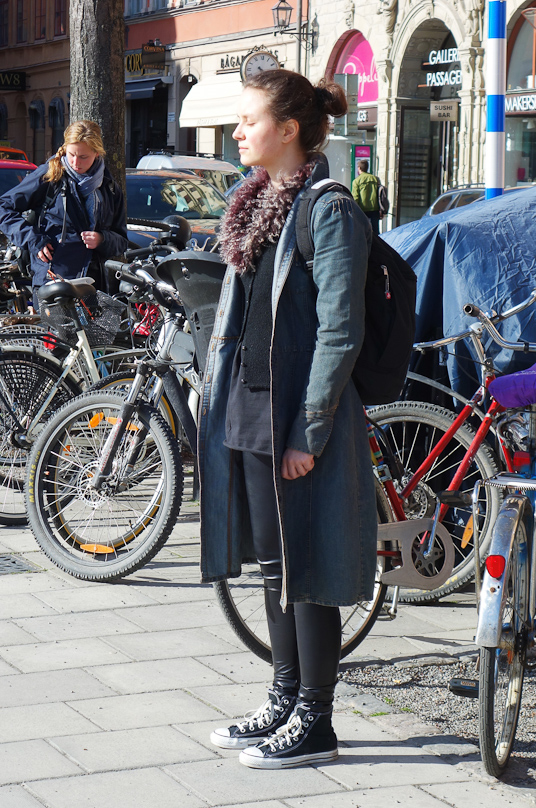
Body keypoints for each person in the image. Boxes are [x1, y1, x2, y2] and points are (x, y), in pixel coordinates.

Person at [198, 69, 377, 770]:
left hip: (299, 417)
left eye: (249, 121)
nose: (238, 131)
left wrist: (310, 430)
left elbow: (340, 330)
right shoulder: (256, 206)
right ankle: (282, 695)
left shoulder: (327, 211)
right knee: (275, 569)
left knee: (308, 567)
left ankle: (316, 718)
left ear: (290, 129)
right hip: (251, 408)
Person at [0, 119, 128, 306]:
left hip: (93, 285)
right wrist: (33, 240)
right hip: (52, 281)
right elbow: (3, 207)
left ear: (97, 153)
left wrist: (102, 239)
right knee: (55, 328)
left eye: (83, 157)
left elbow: (122, 240)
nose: (76, 162)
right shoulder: (50, 176)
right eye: (71, 154)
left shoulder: (110, 188)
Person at [351, 159, 381, 235]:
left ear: (359, 168)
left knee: (362, 232)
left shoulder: (356, 181)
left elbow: (355, 197)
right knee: (375, 233)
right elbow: (380, 194)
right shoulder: (375, 179)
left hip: (362, 210)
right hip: (375, 209)